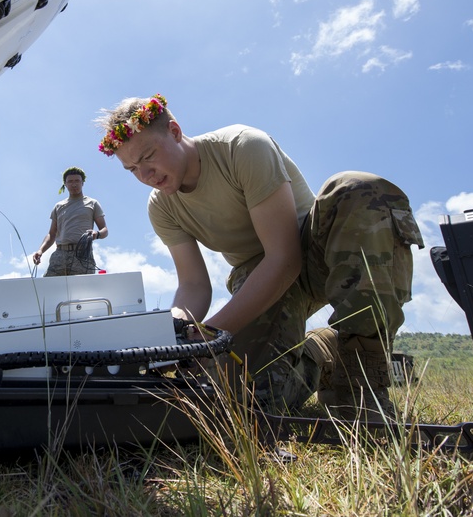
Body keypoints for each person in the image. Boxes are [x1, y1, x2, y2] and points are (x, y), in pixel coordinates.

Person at [96, 94, 424, 420]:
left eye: (149, 156)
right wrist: (175, 333)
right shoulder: (162, 206)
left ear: (175, 131)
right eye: (132, 169)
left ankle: (361, 389)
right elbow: (194, 285)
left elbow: (284, 259)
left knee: (358, 188)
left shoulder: (242, 147)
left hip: (318, 254)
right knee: (244, 403)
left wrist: (209, 334)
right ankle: (324, 351)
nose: (145, 174)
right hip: (256, 277)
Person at [32, 167, 109, 276]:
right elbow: (51, 234)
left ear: (82, 183)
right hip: (59, 254)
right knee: (48, 289)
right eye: (70, 181)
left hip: (82, 255)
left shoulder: (92, 203)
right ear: (65, 184)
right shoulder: (59, 206)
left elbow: (105, 230)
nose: (74, 184)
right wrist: (40, 251)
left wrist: (97, 234)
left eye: (77, 181)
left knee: (83, 290)